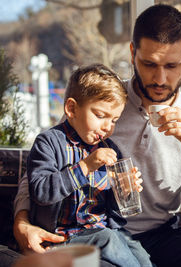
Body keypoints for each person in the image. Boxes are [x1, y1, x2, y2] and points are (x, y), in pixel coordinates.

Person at [13, 4, 181, 267]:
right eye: (149, 63)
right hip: (99, 232)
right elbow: (42, 167)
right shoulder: (103, 105)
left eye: (172, 65)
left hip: (163, 236)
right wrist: (22, 223)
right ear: (132, 53)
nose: (160, 79)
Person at [26, 63, 152, 267]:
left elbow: (109, 208)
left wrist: (124, 191)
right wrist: (86, 166)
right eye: (101, 116)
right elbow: (41, 192)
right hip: (64, 238)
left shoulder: (110, 149)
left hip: (104, 232)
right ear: (72, 108)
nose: (107, 127)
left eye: (114, 120)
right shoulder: (48, 142)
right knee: (107, 238)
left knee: (140, 253)